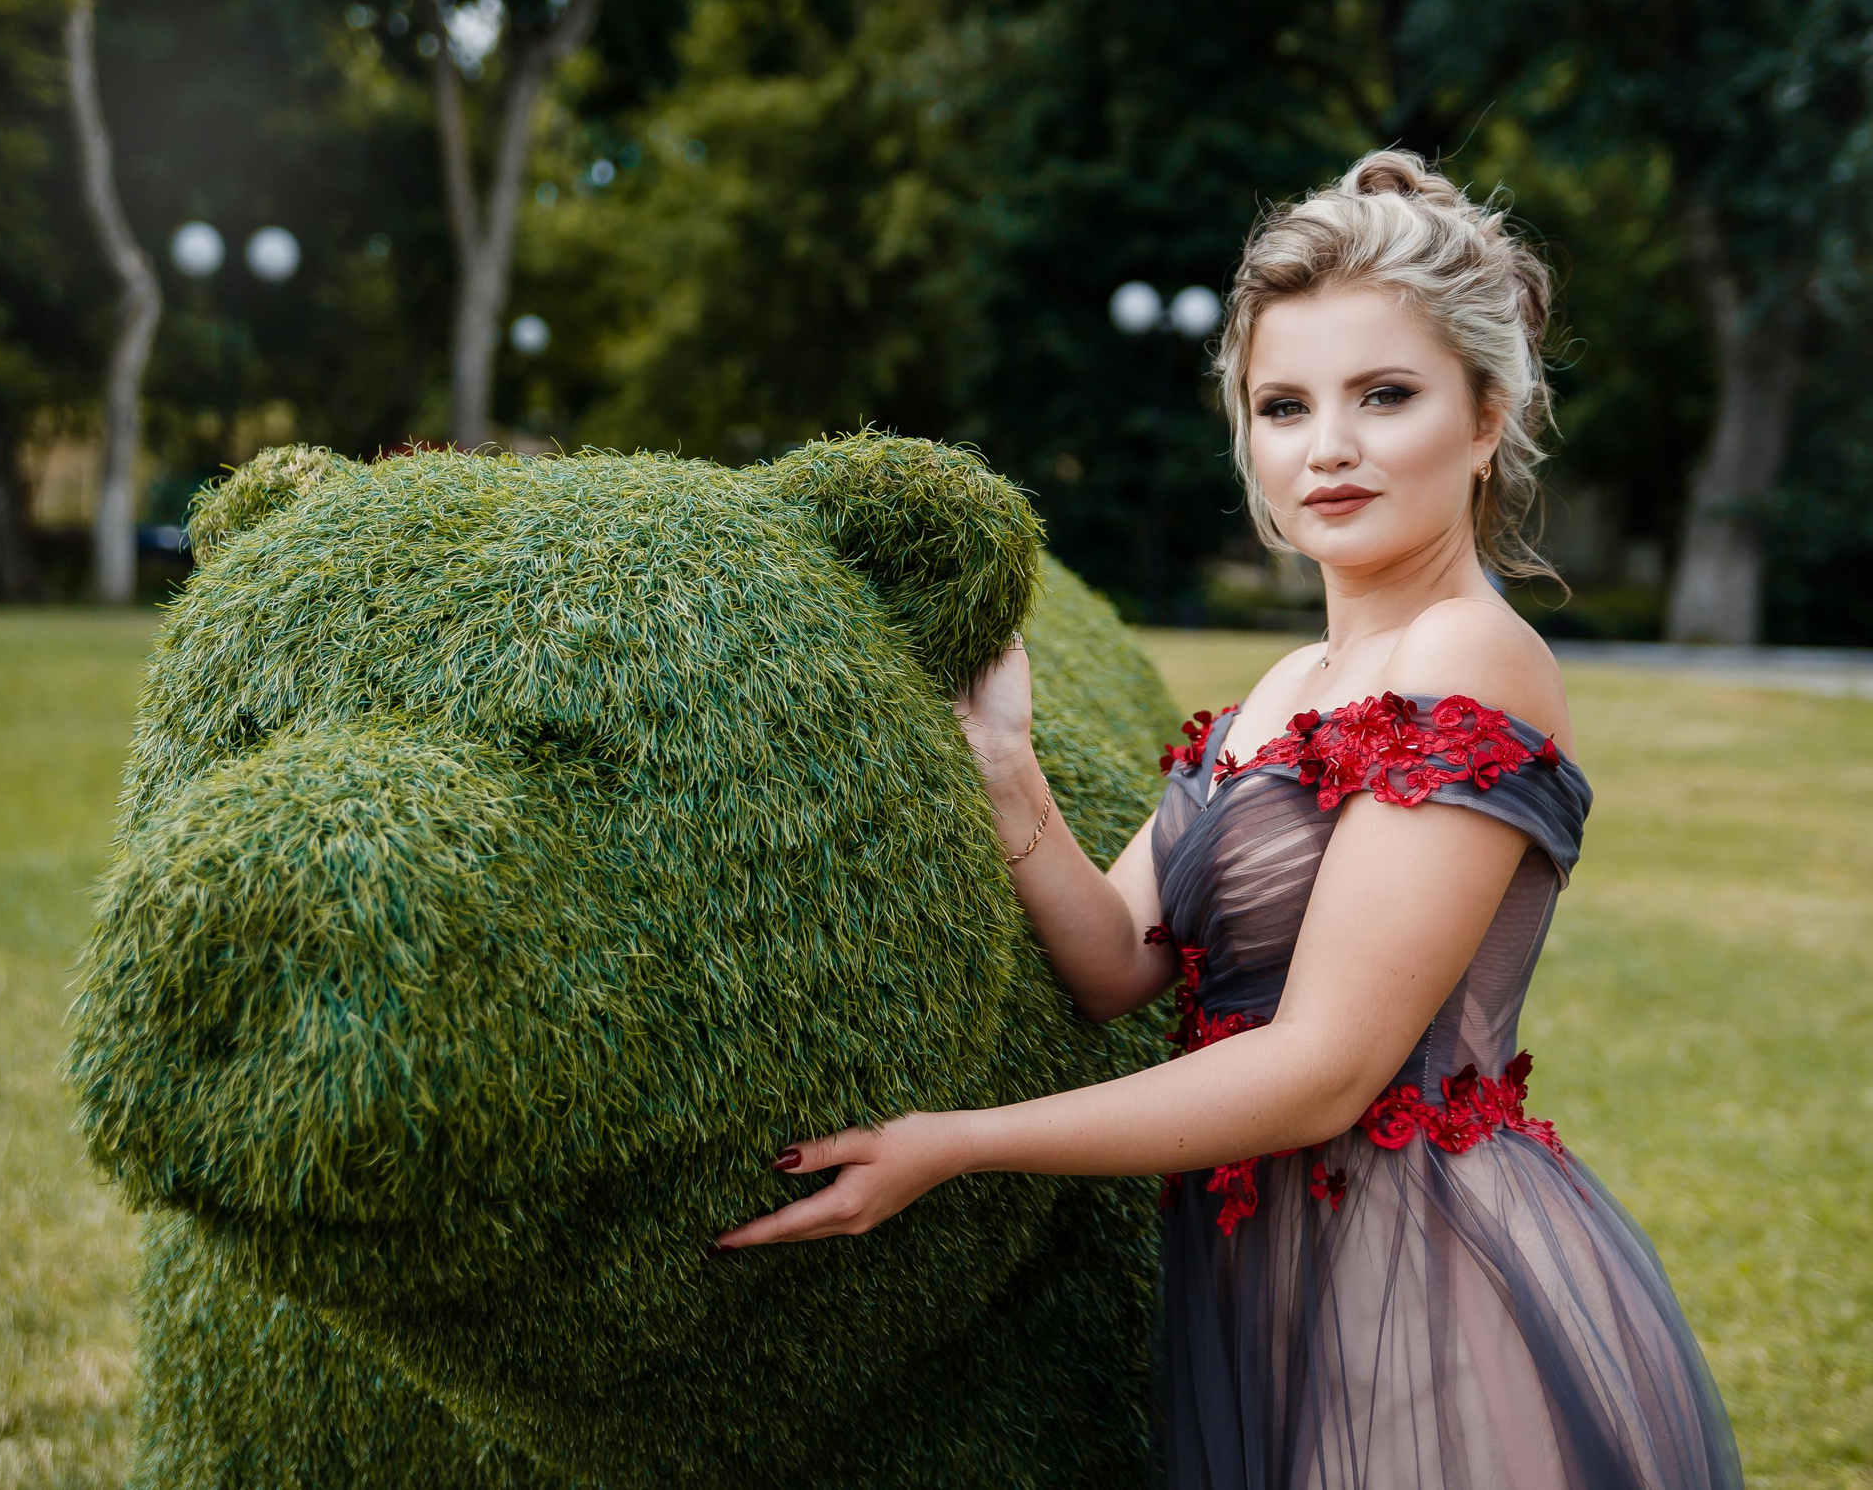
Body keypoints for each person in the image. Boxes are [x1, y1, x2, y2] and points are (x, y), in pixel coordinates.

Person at [717, 149, 1742, 1490]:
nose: (1326, 448)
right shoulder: (1282, 685)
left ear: (1488, 417)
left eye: (1385, 396)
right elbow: (1116, 967)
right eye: (1282, 404)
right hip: (1253, 1279)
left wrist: (960, 1144)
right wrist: (1004, 758)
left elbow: (1324, 1067)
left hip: (1422, 1287)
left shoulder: (1472, 657)